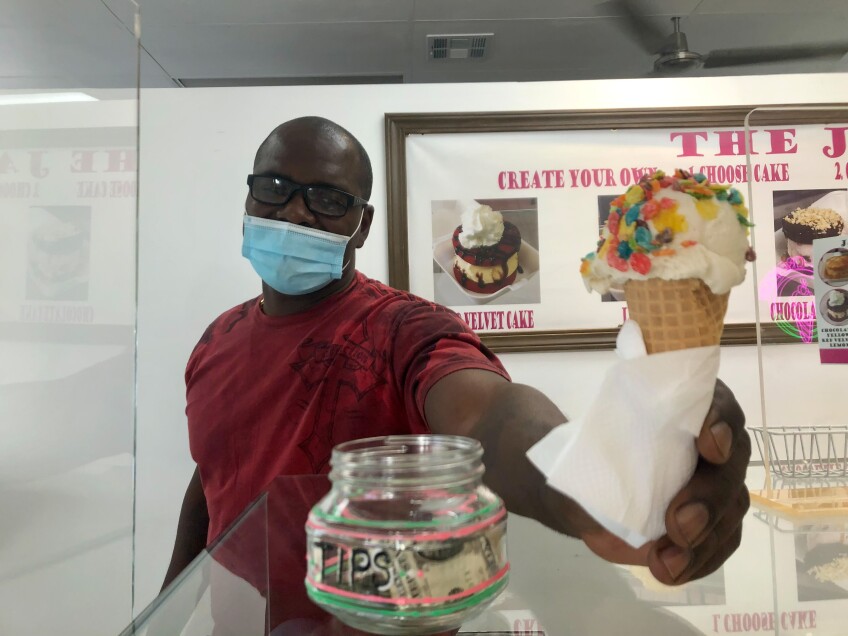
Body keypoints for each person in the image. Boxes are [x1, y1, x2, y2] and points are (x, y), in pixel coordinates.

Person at [163, 115, 750, 615]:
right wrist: (170, 600)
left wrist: (579, 490)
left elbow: (490, 416)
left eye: (328, 199)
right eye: (273, 187)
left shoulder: (404, 330)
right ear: (248, 197)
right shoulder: (218, 339)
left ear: (362, 226)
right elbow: (214, 473)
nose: (295, 212)